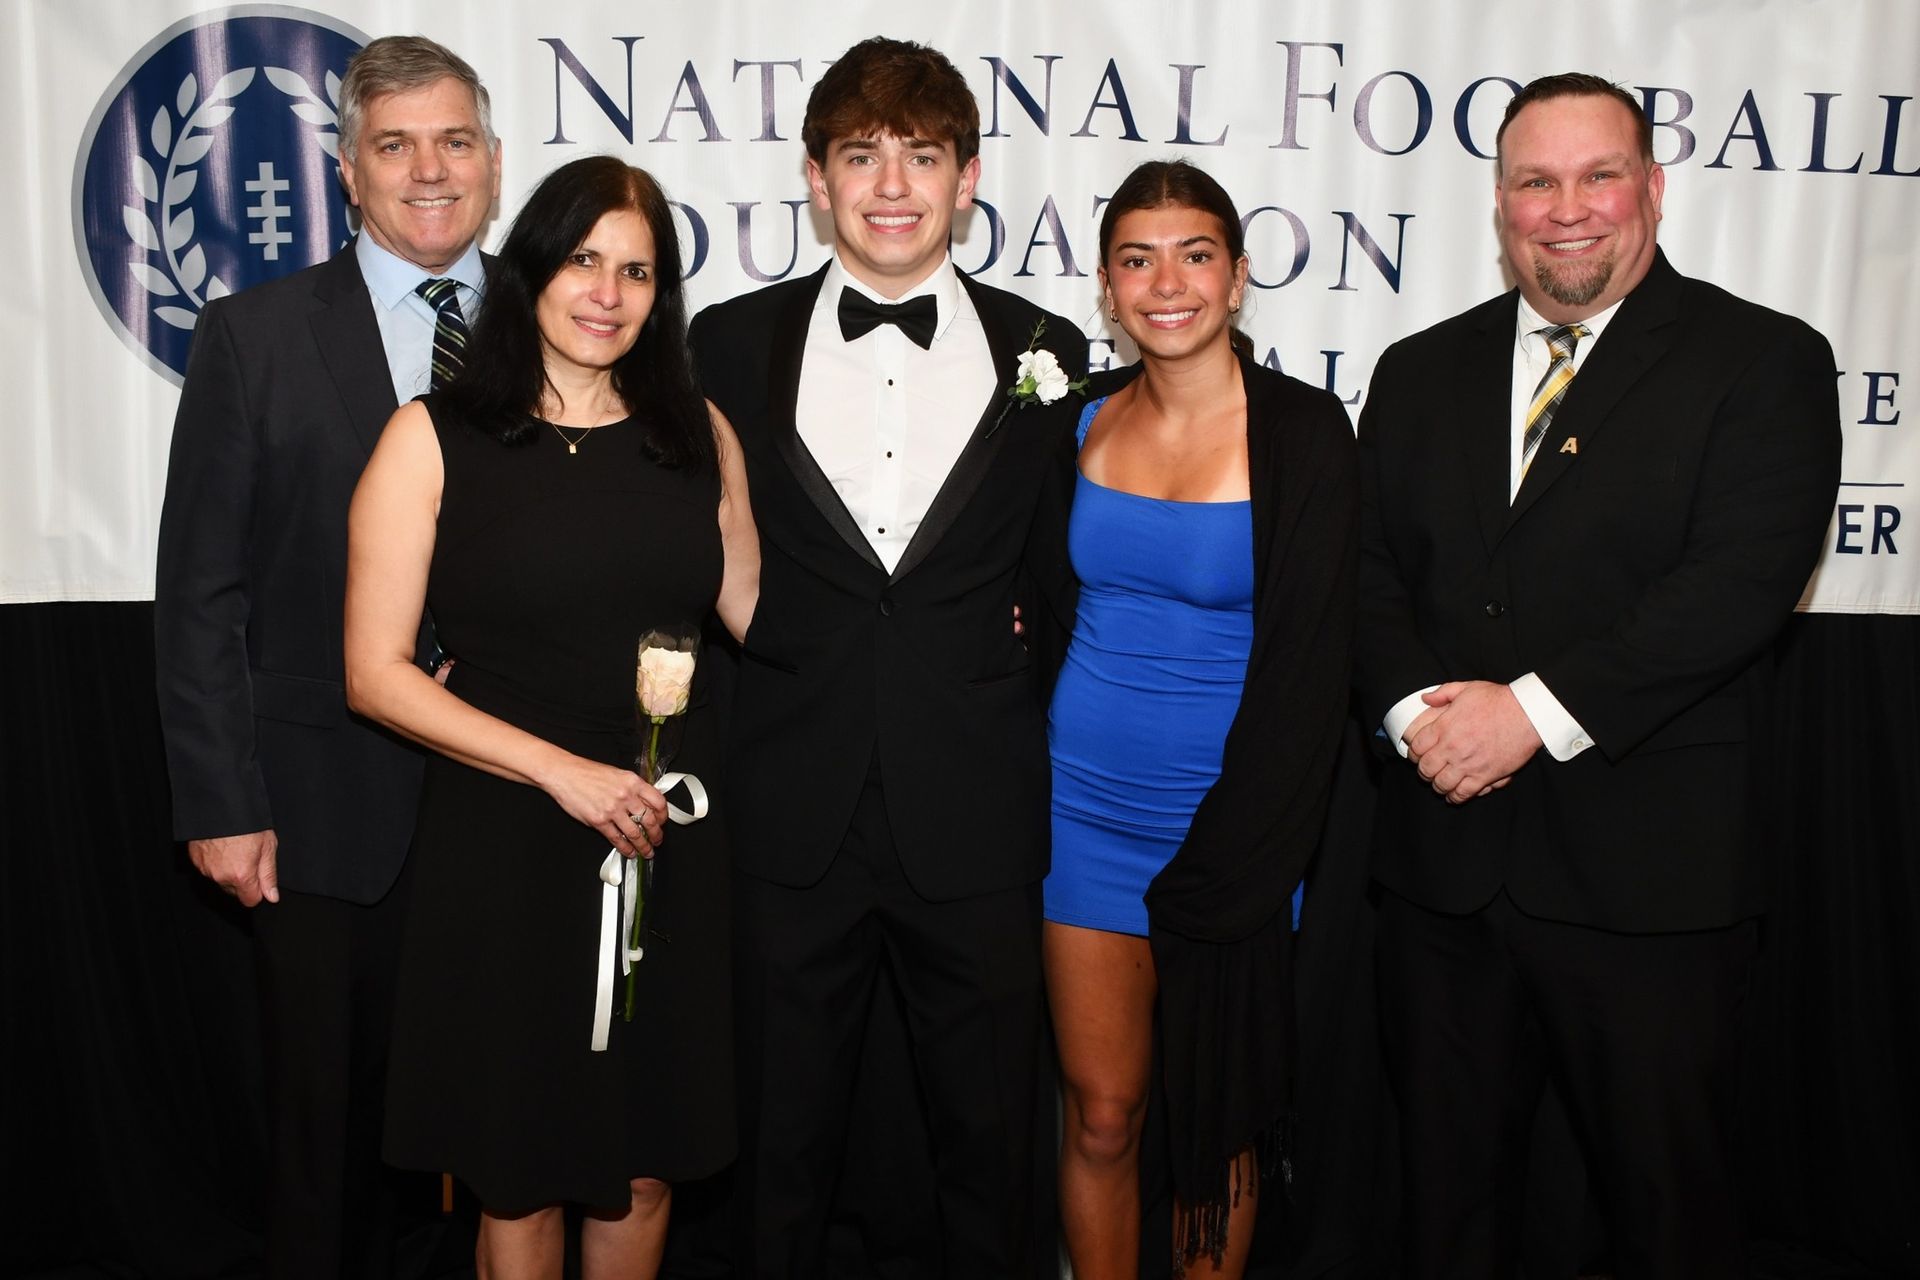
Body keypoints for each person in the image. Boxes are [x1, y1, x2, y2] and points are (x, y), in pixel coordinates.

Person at [1355, 73, 1840, 1278]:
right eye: (1537, 182)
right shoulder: (1418, 369)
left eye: (1597, 176)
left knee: (1668, 1215)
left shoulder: (1763, 360)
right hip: (1444, 876)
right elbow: (1364, 571)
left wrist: (1528, 714)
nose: (1566, 209)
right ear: (1501, 203)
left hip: (1652, 885)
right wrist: (1420, 715)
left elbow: (1738, 585)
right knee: (1443, 1212)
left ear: (1652, 189)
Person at [686, 36, 1087, 1277]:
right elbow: (684, 542)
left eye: (923, 154)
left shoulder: (1051, 346)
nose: (894, 185)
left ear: (969, 177)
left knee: (992, 1145)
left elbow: (1063, 569)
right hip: (789, 803)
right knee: (777, 1146)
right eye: (862, 155)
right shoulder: (725, 341)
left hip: (976, 804)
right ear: (817, 179)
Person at [342, 155, 757, 1278]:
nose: (607, 293)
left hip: (666, 837)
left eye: (637, 271)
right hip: (506, 844)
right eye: (583, 260)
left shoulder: (699, 434)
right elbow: (374, 673)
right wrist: (560, 771)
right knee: (516, 1167)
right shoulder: (431, 436)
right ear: (530, 270)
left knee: (646, 1161)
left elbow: (764, 616)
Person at [153, 35, 498, 1279]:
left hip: (521, 808)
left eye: (453, 141)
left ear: (493, 161)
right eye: (395, 145)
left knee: (506, 1133)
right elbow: (201, 588)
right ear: (347, 171)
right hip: (320, 810)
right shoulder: (253, 336)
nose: (428, 170)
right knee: (325, 1147)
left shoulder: (567, 322)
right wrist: (221, 800)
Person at [1026, 160, 1358, 1278]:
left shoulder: (1304, 433)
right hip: (1081, 816)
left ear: (1239, 275)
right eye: (1137, 259)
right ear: (1108, 286)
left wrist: (1253, 840)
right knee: (1101, 1114)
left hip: (1238, 828)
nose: (1167, 283)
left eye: (1195, 255)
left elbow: (1319, 660)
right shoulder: (1075, 422)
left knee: (1220, 1122)